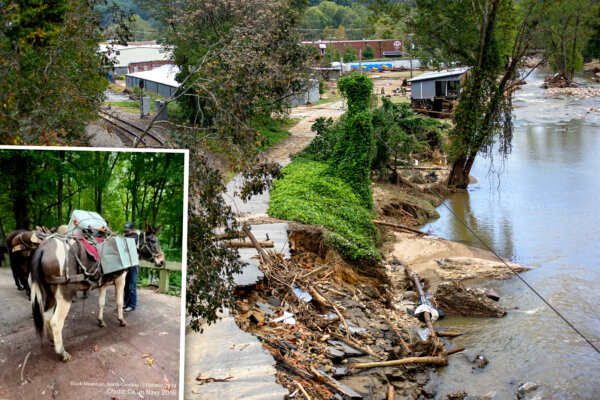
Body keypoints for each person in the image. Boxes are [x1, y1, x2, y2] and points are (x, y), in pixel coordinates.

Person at [123, 221, 138, 312]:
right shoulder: (125, 237)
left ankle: (132, 305)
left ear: (133, 230)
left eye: (128, 231)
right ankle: (126, 303)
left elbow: (131, 241)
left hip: (133, 265)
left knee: (132, 287)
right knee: (125, 287)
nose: (126, 233)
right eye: (125, 231)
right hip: (126, 265)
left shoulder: (136, 237)